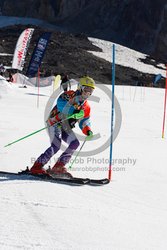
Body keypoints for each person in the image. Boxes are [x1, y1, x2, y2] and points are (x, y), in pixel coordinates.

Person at [30, 76, 95, 177]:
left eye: (91, 91)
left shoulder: (86, 106)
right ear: (80, 87)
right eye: (86, 89)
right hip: (54, 123)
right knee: (56, 145)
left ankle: (59, 166)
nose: (88, 93)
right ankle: (37, 166)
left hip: (66, 126)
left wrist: (87, 130)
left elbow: (84, 120)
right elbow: (61, 105)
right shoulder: (68, 95)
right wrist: (73, 111)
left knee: (74, 143)